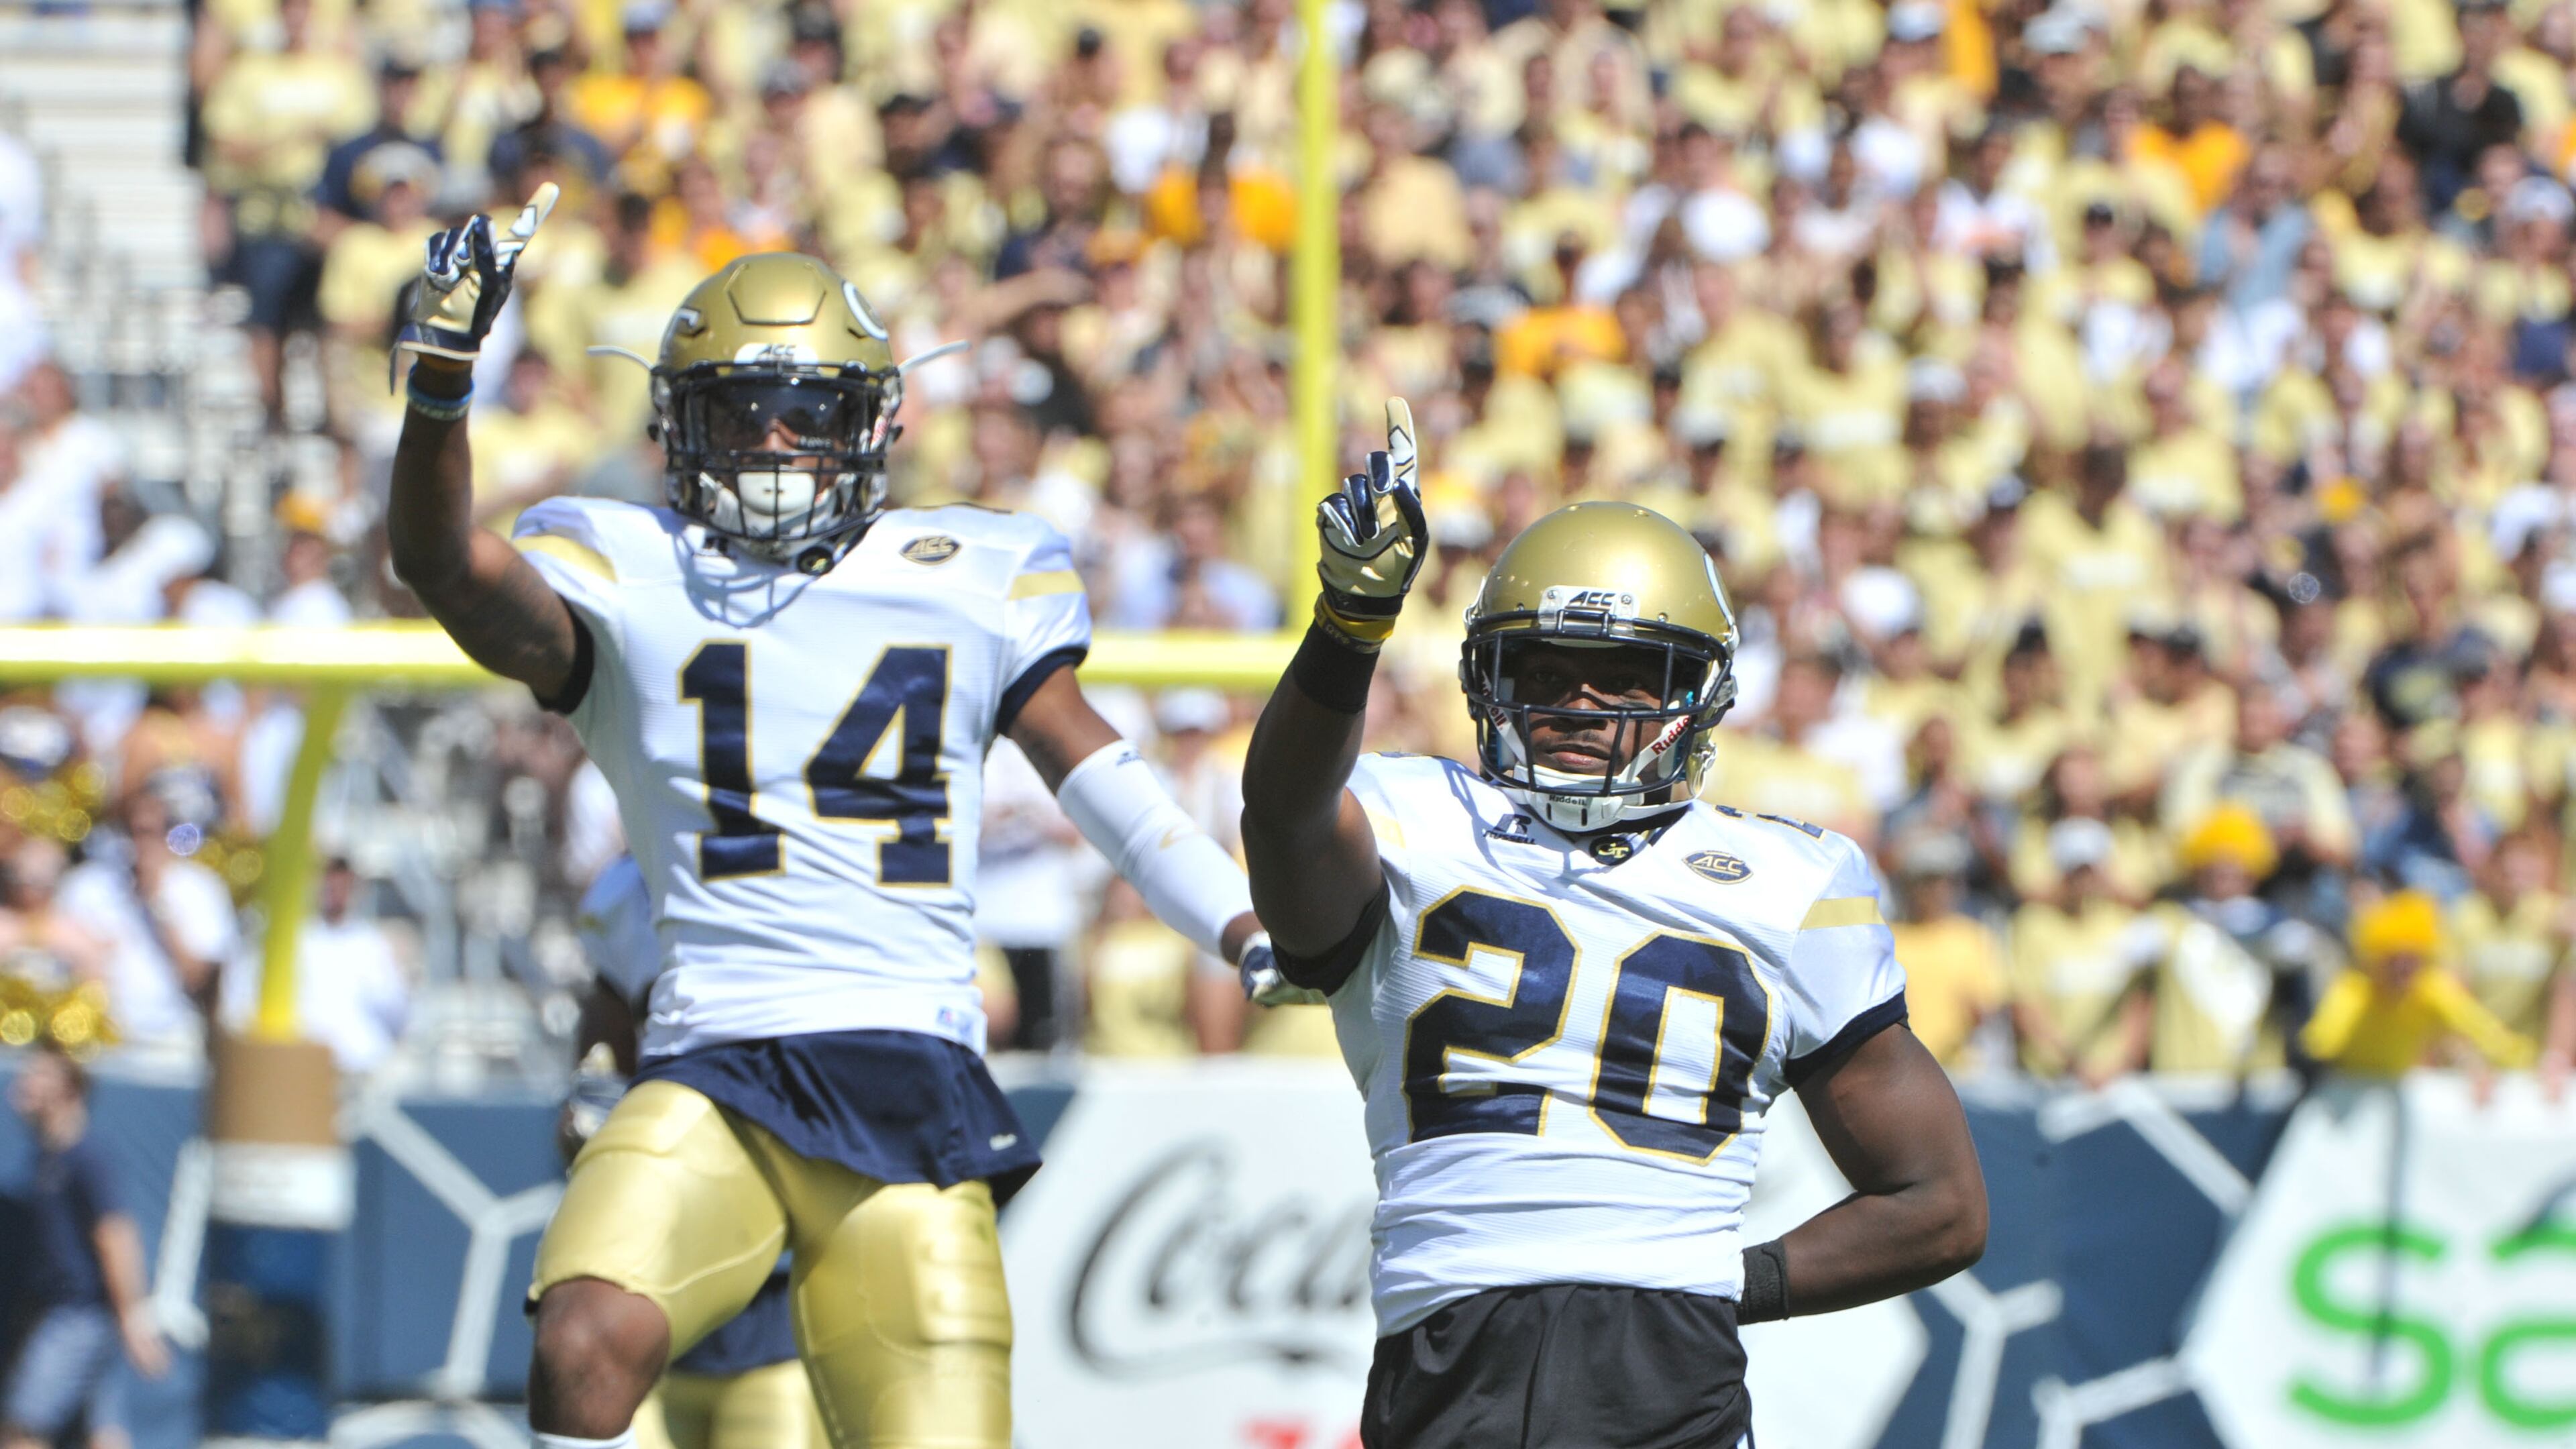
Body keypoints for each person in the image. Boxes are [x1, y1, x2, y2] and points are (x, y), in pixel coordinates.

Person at [383, 199, 1273, 1449]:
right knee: (581, 1346)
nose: (778, 437)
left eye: (807, 406)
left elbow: (1100, 776)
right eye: (741, 410)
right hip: (714, 1063)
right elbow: (440, 565)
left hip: (908, 1071)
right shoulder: (627, 572)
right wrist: (439, 383)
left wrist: (1235, 920)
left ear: (875, 421)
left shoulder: (971, 571)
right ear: (679, 429)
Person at [1237, 404, 1987, 1448]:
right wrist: (1349, 625)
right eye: (1544, 673)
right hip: (1450, 1361)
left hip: (1667, 1368)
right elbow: (1283, 812)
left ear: (1697, 694)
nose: (1583, 703)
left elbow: (1940, 1204)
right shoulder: (1412, 815)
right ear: (1491, 684)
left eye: (1628, 675)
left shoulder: (1792, 879)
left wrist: (1721, 1282)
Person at [566, 857, 824, 1449]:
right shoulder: (625, 894)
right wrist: (595, 1128)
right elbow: (595, 1085)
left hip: (779, 1309)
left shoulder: (811, 875)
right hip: (656, 1305)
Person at [2, 1040, 168, 1449]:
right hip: (74, 1313)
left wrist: (132, 1317)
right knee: (102, 1433)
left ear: (68, 1089)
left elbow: (116, 1236)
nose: (25, 1083)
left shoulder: (88, 1157)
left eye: (38, 1075)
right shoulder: (46, 1158)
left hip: (80, 1316)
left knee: (22, 1428)